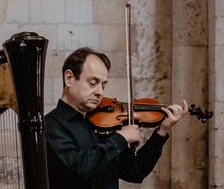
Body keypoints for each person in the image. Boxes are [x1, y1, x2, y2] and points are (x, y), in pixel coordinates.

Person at [45, 47, 188, 188]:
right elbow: (79, 168)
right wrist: (121, 138)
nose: (100, 92)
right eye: (93, 83)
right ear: (69, 78)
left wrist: (161, 131)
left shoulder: (102, 126)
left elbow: (135, 171)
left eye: (103, 85)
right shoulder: (51, 125)